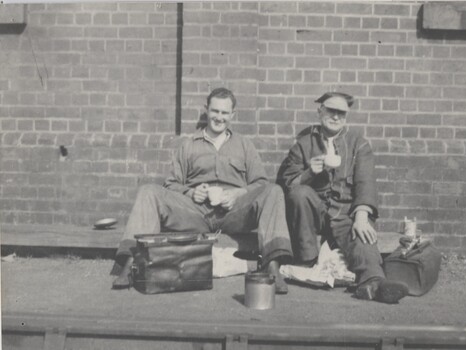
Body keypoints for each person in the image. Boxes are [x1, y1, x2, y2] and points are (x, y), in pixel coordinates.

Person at [111, 87, 293, 294]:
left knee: (274, 191)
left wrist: (238, 194)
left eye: (225, 113)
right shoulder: (189, 145)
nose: (219, 117)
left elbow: (260, 183)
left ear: (232, 115)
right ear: (207, 110)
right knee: (149, 191)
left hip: (234, 213)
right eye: (215, 111)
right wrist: (191, 192)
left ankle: (272, 266)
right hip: (195, 213)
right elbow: (171, 184)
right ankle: (129, 263)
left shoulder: (244, 145)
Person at [278, 92, 408, 303]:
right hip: (314, 216)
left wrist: (362, 216)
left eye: (341, 113)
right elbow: (287, 184)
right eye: (331, 111)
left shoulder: (358, 143)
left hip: (345, 213)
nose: (336, 117)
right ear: (320, 111)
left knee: (363, 235)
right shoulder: (303, 143)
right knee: (300, 193)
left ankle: (374, 284)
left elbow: (366, 183)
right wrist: (310, 172)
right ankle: (307, 259)